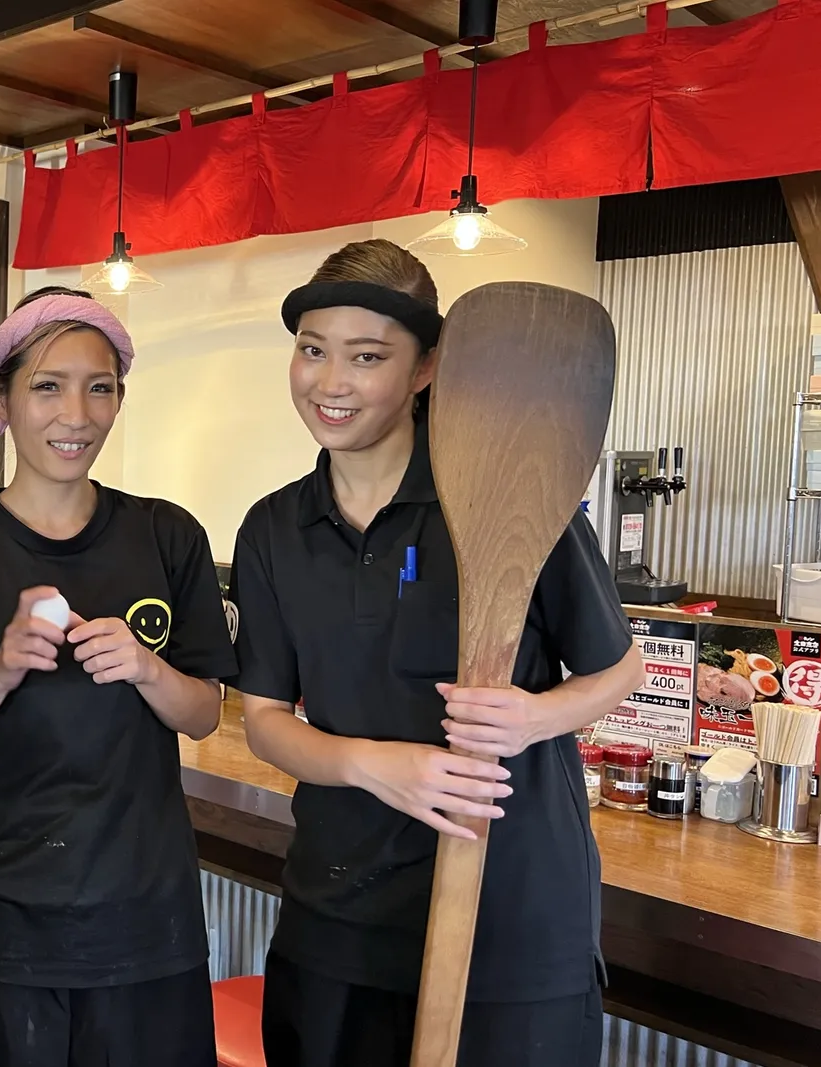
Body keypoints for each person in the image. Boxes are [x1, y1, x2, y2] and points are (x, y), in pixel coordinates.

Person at [224, 239, 643, 1067]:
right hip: (340, 914)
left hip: (510, 914)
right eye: (312, 351)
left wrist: (534, 715)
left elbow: (619, 670)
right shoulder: (273, 528)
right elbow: (267, 720)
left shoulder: (515, 494)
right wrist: (376, 766)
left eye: (367, 357)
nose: (330, 382)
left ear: (424, 370)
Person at [0, 286, 237, 1067]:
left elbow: (203, 713)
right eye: (47, 384)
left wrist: (145, 666)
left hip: (142, 922)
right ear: (0, 393)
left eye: (99, 387)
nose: (77, 414)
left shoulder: (168, 535)